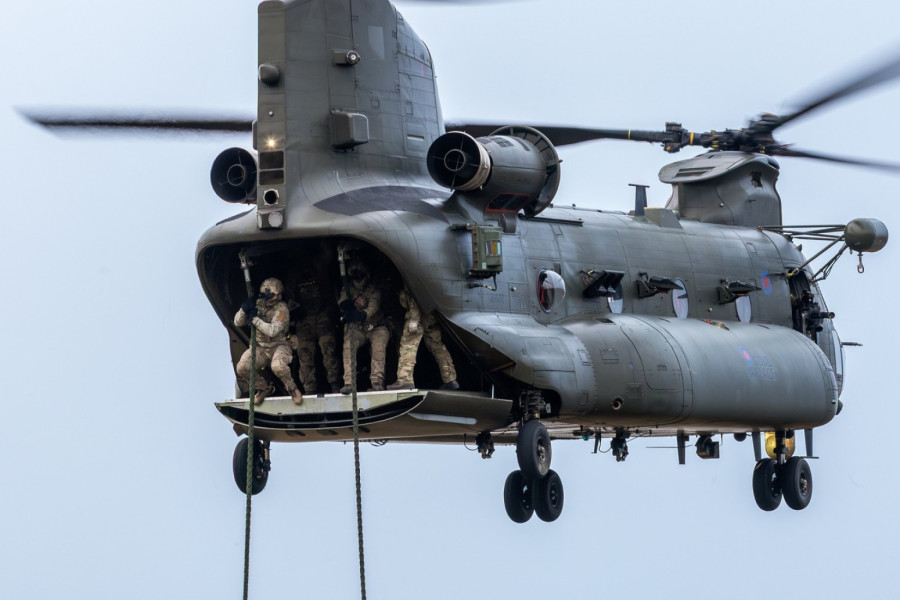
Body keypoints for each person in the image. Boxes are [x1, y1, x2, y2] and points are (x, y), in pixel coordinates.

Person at [234, 277, 304, 405]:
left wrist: (255, 320)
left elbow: (273, 330)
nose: (272, 297)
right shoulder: (258, 305)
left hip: (280, 346)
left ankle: (292, 389)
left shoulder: (282, 310)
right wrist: (244, 309)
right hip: (261, 347)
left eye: (274, 295)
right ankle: (263, 388)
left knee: (278, 366)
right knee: (242, 368)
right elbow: (237, 322)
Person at [387, 285, 459, 391]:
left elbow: (414, 295)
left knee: (408, 344)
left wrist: (414, 318)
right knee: (436, 345)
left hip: (420, 315)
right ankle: (450, 380)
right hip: (432, 314)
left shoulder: (410, 278)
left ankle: (405, 380)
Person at [339, 261, 389, 393]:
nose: (357, 280)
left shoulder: (374, 289)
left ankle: (377, 382)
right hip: (357, 328)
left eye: (360, 276)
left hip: (376, 326)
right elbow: (342, 302)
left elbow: (372, 307)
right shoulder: (348, 288)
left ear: (366, 275)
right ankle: (349, 383)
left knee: (378, 346)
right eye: (354, 277)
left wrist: (360, 314)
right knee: (348, 345)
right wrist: (348, 304)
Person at [291, 263, 341, 396]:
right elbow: (289, 299)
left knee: (329, 350)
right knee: (304, 355)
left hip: (322, 316)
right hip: (304, 320)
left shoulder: (321, 270)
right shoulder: (294, 275)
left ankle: (334, 384)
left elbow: (331, 294)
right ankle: (309, 389)